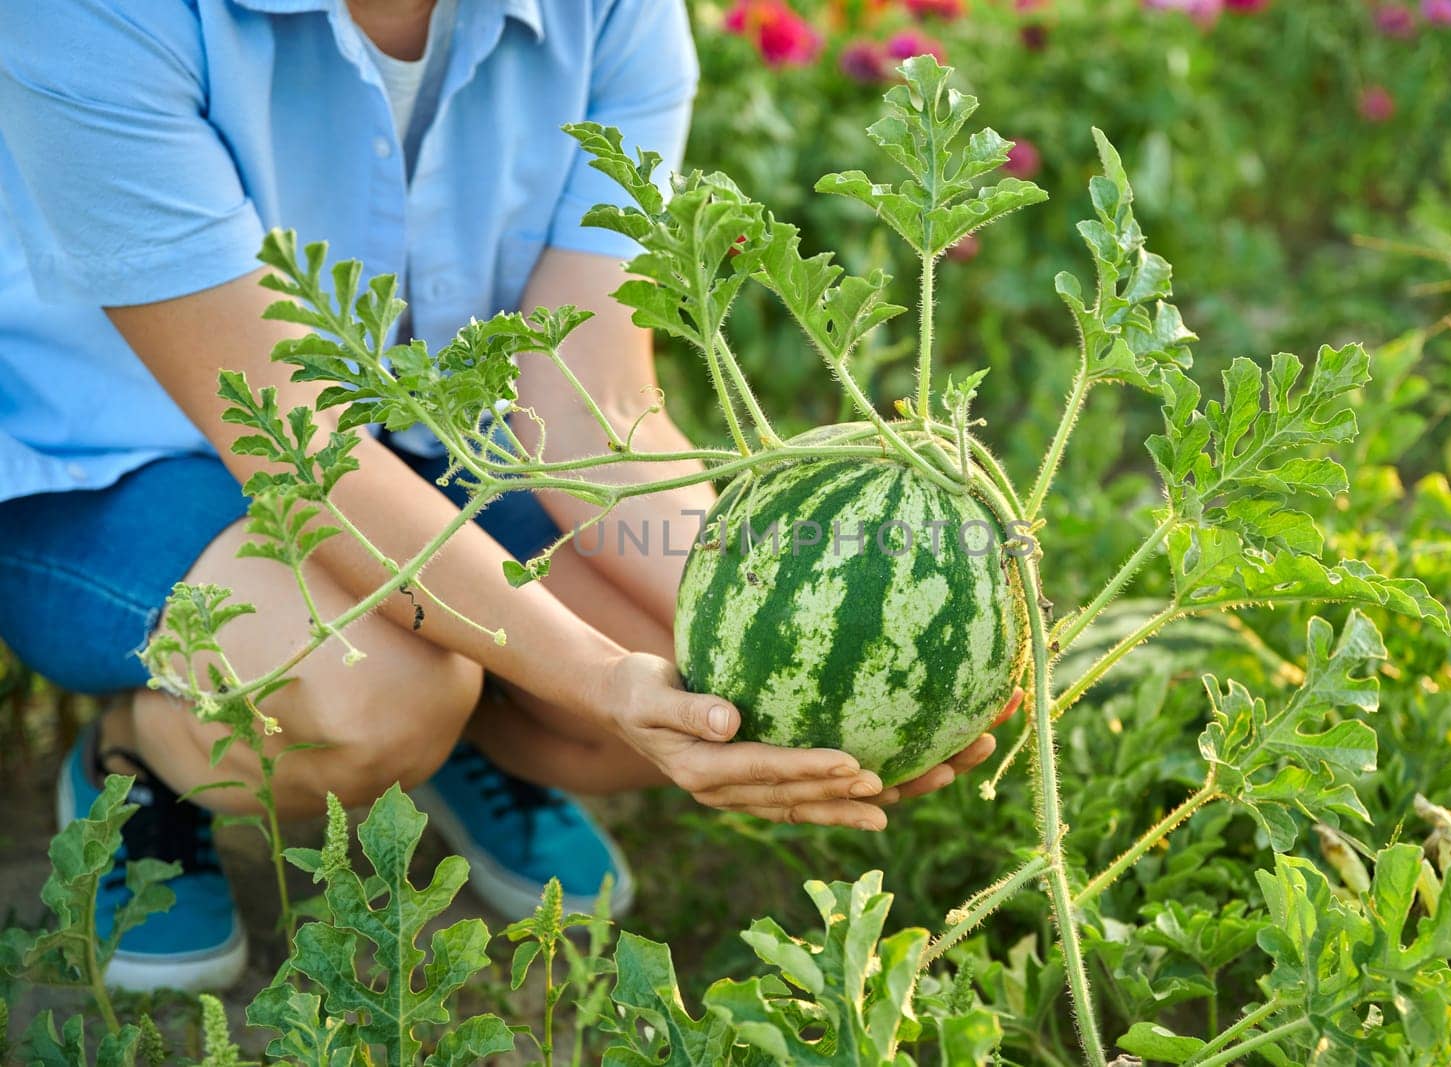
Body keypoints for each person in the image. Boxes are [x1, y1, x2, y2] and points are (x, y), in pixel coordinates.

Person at [0, 0, 1011, 994]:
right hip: (115, 464)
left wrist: (791, 609)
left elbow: (592, 400)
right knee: (377, 695)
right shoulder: (95, 14)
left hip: (442, 451)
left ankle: (460, 716)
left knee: (713, 675)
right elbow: (297, 444)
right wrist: (594, 674)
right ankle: (141, 766)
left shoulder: (614, 11)